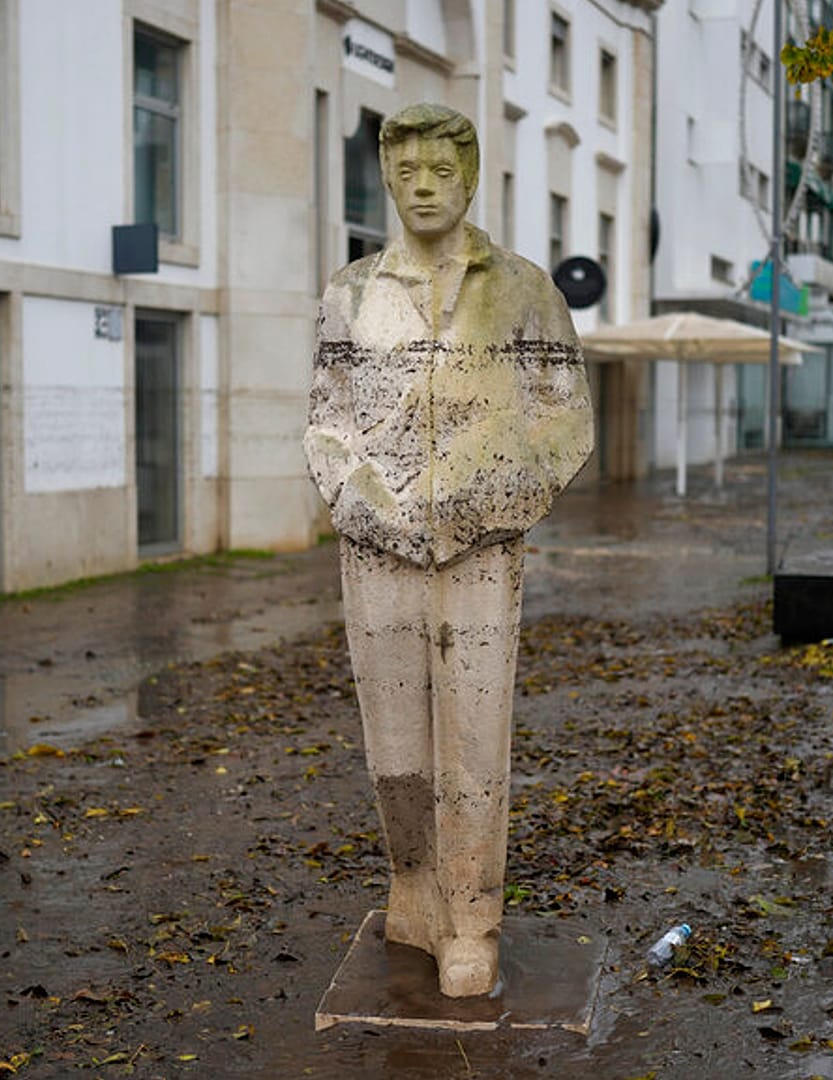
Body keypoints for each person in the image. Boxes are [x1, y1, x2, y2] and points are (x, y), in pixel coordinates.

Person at [303, 102, 592, 997]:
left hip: (480, 550)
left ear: (469, 179)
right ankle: (413, 885)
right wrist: (362, 500)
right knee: (393, 744)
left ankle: (471, 918)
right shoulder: (351, 294)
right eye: (406, 173)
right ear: (388, 181)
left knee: (472, 738)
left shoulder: (524, 290)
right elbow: (326, 422)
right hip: (375, 548)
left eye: (440, 172)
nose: (422, 188)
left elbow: (567, 420)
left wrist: (493, 500)